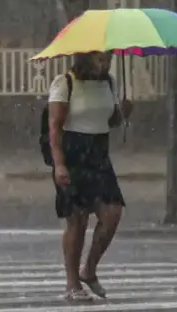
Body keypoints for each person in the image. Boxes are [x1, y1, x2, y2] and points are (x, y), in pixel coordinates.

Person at [47, 51, 132, 302]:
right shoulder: (65, 82)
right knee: (78, 221)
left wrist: (124, 112)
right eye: (99, 59)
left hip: (98, 154)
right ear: (85, 57)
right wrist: (59, 164)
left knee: (112, 213)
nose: (105, 64)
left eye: (108, 58)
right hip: (73, 154)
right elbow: (54, 127)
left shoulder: (109, 83)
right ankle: (72, 284)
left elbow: (112, 120)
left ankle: (89, 270)